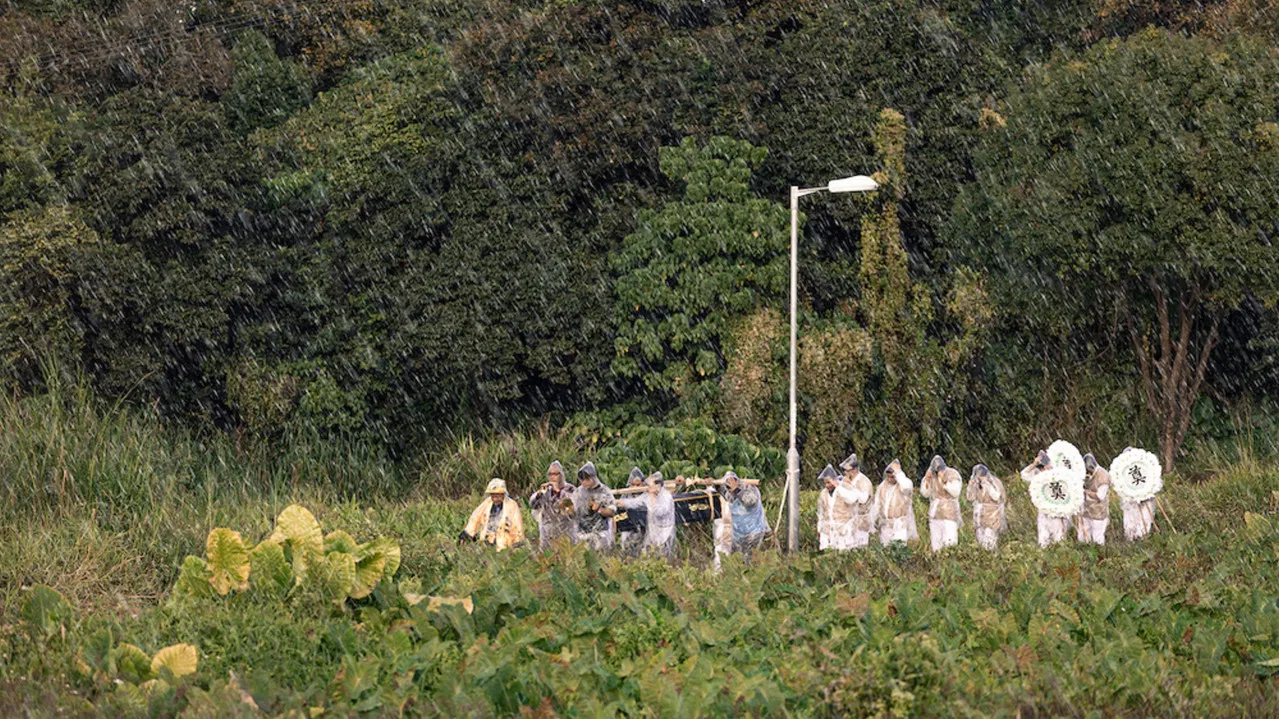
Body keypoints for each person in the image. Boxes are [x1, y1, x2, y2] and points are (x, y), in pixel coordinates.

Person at [459, 478, 526, 551]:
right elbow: (475, 517)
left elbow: (518, 526)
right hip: (487, 541)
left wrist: (517, 544)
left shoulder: (512, 505)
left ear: (503, 494)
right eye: (493, 495)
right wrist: (467, 533)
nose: (495, 499)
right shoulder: (488, 502)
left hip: (504, 544)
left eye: (497, 496)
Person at [1022, 449, 1070, 547]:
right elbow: (1024, 475)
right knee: (1043, 539)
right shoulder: (1037, 474)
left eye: (1044, 466)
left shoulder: (1057, 473)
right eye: (1041, 467)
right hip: (1043, 511)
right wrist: (1034, 464)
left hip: (1056, 511)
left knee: (1059, 540)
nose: (1043, 469)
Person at [720, 471, 769, 560]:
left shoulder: (749, 489)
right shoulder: (730, 493)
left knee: (750, 559)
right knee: (737, 560)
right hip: (739, 534)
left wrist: (736, 490)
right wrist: (712, 484)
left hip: (755, 531)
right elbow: (724, 494)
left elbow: (750, 501)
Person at [920, 455, 962, 552]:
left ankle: (949, 558)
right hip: (935, 514)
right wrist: (927, 481)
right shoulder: (932, 475)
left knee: (950, 541)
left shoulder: (952, 474)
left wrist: (944, 481)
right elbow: (925, 494)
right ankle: (937, 557)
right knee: (936, 542)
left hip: (950, 514)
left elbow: (956, 492)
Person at [529, 460, 575, 549]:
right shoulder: (546, 490)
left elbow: (571, 508)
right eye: (550, 474)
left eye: (555, 474)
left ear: (561, 475)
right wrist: (539, 494)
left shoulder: (570, 489)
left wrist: (558, 492)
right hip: (547, 533)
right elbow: (533, 505)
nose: (552, 477)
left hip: (565, 531)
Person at [572, 462, 617, 551]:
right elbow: (572, 510)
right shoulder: (578, 492)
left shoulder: (605, 491)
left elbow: (612, 512)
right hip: (582, 534)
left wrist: (599, 509)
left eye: (586, 479)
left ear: (593, 477)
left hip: (600, 534)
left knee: (600, 556)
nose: (583, 482)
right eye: (582, 480)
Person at [1116, 447, 1157, 540]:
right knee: (1130, 524)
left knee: (1144, 523)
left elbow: (1151, 483)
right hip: (1130, 501)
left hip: (1146, 500)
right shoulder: (1123, 471)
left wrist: (1145, 493)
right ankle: (1131, 541)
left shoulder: (1144, 468)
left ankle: (1142, 540)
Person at [875, 459, 918, 545]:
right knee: (885, 550)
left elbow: (906, 487)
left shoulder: (904, 484)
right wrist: (874, 520)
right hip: (885, 526)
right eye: (888, 477)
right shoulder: (882, 486)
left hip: (899, 526)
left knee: (899, 549)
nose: (889, 479)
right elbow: (877, 504)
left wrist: (898, 472)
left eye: (892, 477)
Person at [816, 464, 857, 551]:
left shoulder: (844, 490)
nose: (827, 485)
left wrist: (838, 487)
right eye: (825, 483)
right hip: (828, 531)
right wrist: (819, 529)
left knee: (842, 553)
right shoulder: (823, 494)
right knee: (827, 552)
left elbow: (851, 499)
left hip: (843, 530)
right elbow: (821, 513)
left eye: (829, 482)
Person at [839, 454, 876, 549]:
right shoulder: (847, 480)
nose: (845, 473)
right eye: (844, 471)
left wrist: (850, 486)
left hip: (861, 521)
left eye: (848, 471)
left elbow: (863, 499)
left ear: (855, 469)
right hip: (849, 521)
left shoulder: (864, 481)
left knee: (861, 547)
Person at [967, 464, 1005, 551]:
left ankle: (991, 553)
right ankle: (983, 555)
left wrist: (987, 485)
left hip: (992, 514)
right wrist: (970, 486)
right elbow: (970, 497)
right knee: (980, 537)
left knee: (989, 537)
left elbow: (996, 497)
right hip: (980, 515)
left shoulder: (994, 482)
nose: (979, 478)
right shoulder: (977, 484)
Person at [640, 471, 677, 559]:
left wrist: (652, 496)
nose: (649, 488)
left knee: (663, 557)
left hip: (664, 532)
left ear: (658, 485)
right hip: (654, 532)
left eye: (650, 485)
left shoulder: (666, 496)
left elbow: (659, 512)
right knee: (650, 557)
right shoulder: (652, 495)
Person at [1076, 453, 1111, 545]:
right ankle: (1084, 550)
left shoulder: (1103, 476)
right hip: (1086, 510)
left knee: (1097, 538)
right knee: (1083, 536)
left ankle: (1099, 552)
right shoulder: (1083, 475)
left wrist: (1085, 491)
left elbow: (1100, 496)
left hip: (1098, 511)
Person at [617, 467, 647, 557]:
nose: (635, 488)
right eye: (633, 485)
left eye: (638, 485)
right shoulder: (626, 494)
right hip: (628, 526)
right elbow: (619, 507)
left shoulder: (647, 494)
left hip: (644, 527)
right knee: (627, 547)